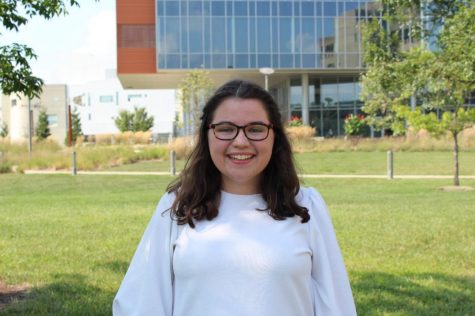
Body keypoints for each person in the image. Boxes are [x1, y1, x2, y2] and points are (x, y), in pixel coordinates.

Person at [113, 80, 356, 316]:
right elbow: (142, 303)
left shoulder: (306, 206)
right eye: (226, 129)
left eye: (255, 129)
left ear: (275, 136)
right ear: (207, 134)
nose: (240, 142)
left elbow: (335, 305)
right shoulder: (177, 206)